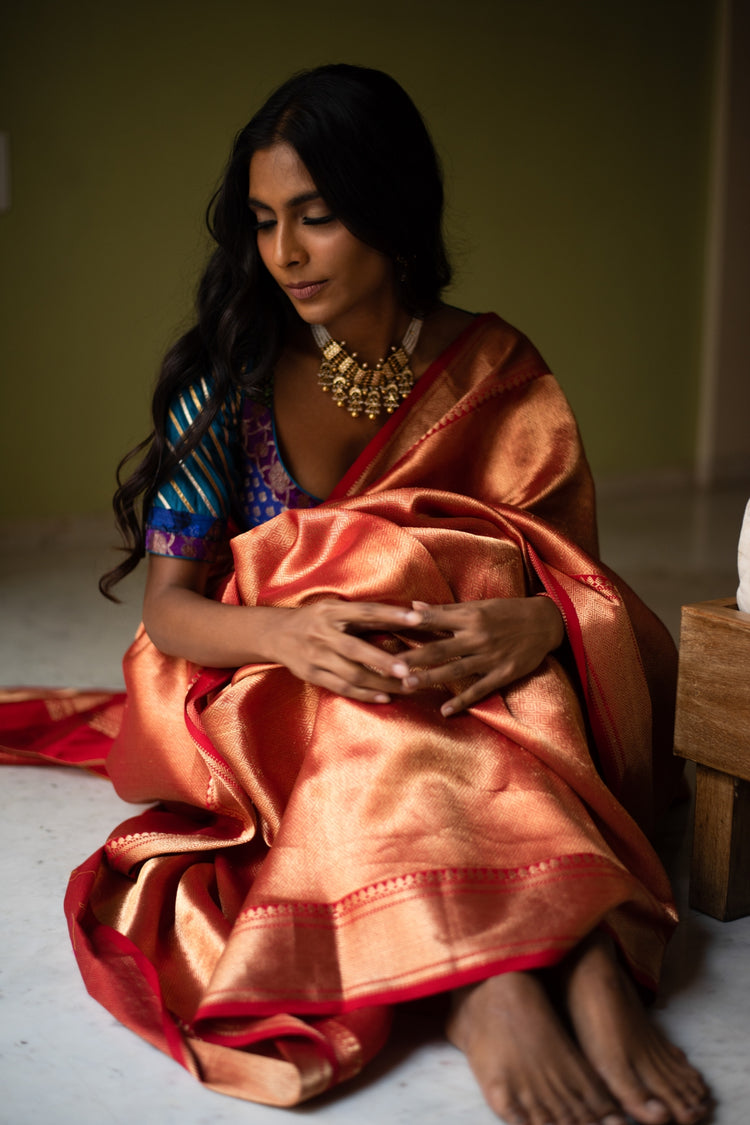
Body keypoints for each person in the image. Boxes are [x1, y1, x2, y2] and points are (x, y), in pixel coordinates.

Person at [0, 64, 710, 1125]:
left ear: (390, 209)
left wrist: (537, 619)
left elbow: (569, 575)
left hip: (460, 684)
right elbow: (171, 612)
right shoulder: (230, 373)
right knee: (369, 617)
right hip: (268, 681)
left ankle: (589, 959)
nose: (283, 254)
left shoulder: (496, 370)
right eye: (263, 222)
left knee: (463, 621)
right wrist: (295, 630)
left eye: (316, 218)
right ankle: (493, 979)